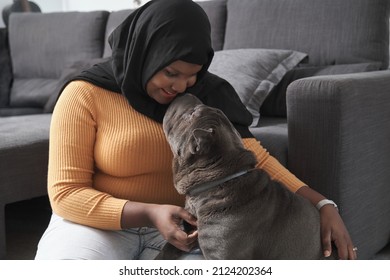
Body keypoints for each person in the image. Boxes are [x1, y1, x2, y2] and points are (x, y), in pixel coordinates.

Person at [35, 0, 357, 260]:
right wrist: (150, 213)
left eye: (192, 74)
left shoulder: (210, 95)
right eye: (170, 72)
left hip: (194, 228)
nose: (180, 86)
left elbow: (253, 158)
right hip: (99, 225)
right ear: (144, 54)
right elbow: (66, 194)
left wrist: (322, 204)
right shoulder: (84, 93)